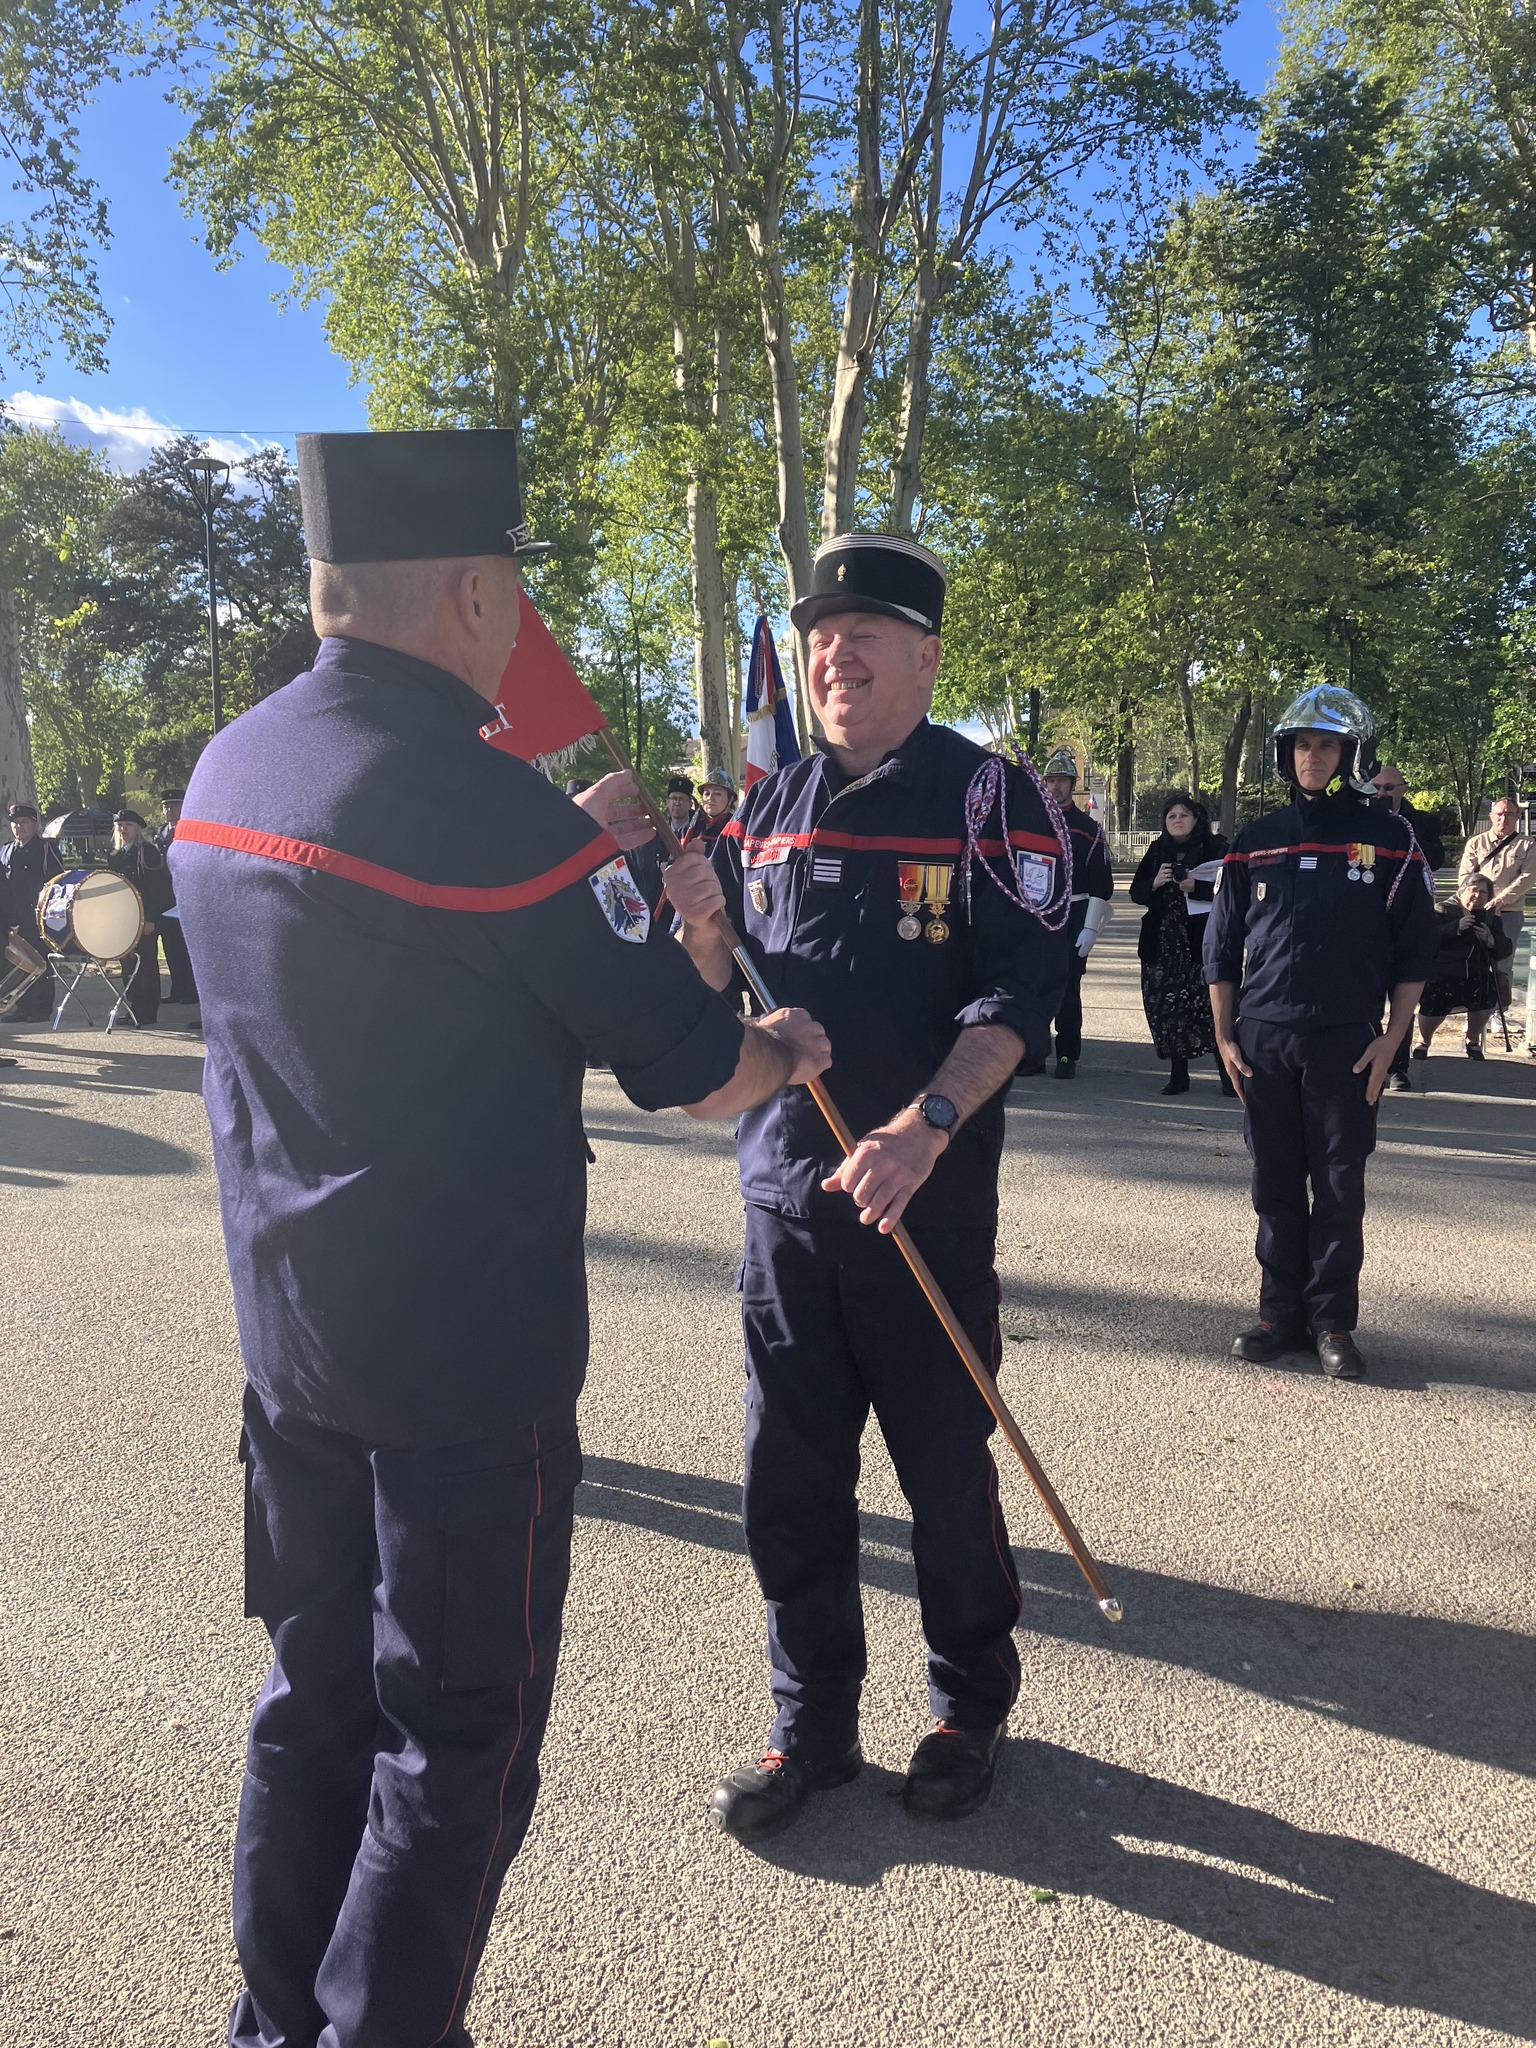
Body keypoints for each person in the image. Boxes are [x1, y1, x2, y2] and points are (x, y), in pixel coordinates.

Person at [169, 427, 831, 2048]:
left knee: (312, 1705)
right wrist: (780, 1041)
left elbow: (409, 950)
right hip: (462, 1378)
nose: (520, 623)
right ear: (471, 594)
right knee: (455, 1747)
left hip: (293, 1349)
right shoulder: (496, 820)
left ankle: (277, 2022)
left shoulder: (229, 771)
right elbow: (695, 1070)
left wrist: (569, 852)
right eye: (513, 593)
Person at [676, 532, 1070, 1841]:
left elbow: (1021, 992)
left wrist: (927, 1121)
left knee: (945, 1478)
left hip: (923, 1206)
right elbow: (721, 983)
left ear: (926, 657)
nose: (833, 655)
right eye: (819, 637)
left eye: (863, 634)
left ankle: (968, 1707)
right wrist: (699, 926)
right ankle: (813, 1727)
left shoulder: (986, 797)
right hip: (784, 1208)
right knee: (788, 1484)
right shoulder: (769, 803)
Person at [1205, 683, 1437, 1381]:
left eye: (1328, 746)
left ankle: (1332, 1320)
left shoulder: (1390, 842)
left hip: (1347, 1042)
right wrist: (1224, 1036)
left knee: (1338, 1187)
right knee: (1274, 1183)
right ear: (1286, 753)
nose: (1313, 757)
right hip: (1265, 1039)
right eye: (1303, 745)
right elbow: (1221, 948)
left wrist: (1392, 1040)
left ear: (1350, 755)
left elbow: (1416, 951)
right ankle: (1279, 1315)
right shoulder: (1255, 841)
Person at [1128, 794, 1233, 1096]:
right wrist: (1155, 883)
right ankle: (1178, 1075)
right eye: (1171, 816)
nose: (1177, 820)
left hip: (1201, 943)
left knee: (1210, 1008)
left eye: (1184, 815)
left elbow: (1232, 892)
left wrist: (1197, 887)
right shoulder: (1157, 850)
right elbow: (1136, 893)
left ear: (1197, 819)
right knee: (1168, 1010)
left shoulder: (1216, 848)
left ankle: (1227, 1073)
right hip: (1162, 945)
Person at [1024, 747, 1111, 1079]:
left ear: (1073, 785)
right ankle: (1033, 1053)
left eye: (1062, 781)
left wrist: (1091, 928)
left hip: (1073, 914)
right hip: (1037, 915)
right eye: (1050, 781)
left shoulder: (1088, 829)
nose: (1055, 787)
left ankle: (1066, 1055)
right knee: (1032, 987)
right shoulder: (1030, 823)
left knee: (1067, 990)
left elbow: (1101, 883)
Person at [1370, 765, 1444, 1089]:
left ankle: (1398, 1066)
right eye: (1376, 788)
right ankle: (1368, 1059)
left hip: (1409, 916)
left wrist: (1406, 831)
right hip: (1370, 918)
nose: (1382, 794)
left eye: (1389, 788)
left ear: (1402, 789)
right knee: (1368, 998)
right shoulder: (1360, 820)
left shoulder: (1422, 822)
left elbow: (1435, 860)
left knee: (1403, 997)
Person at [1458, 794, 1536, 1042]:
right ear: (1491, 816)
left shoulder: (1527, 845)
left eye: (1509, 814)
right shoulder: (1476, 843)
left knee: (1503, 964)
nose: (1504, 818)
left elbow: (1527, 877)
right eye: (1500, 813)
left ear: (1517, 817)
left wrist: (1500, 901)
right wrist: (1476, 902)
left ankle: (1498, 1012)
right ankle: (1472, 1011)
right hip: (1476, 911)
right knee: (1472, 962)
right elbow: (1465, 876)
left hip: (1508, 912)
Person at [1411, 873, 1513, 1060]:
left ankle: (1472, 1041)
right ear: (1462, 890)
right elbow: (1426, 939)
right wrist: (1456, 927)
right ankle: (1424, 1040)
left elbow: (1504, 949)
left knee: (1487, 990)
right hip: (1444, 971)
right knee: (1436, 994)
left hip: (1476, 973)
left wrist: (1490, 939)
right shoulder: (1442, 910)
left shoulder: (1490, 916)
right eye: (1473, 890)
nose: (1477, 895)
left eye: (1483, 892)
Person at [107, 810, 172, 1026]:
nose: (123, 829)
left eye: (128, 825)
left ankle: (148, 1011)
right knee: (127, 965)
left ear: (137, 829)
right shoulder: (115, 854)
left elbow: (156, 888)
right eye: (120, 825)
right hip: (123, 917)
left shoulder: (147, 852)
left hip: (143, 916)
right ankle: (134, 1008)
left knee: (145, 965)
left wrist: (151, 918)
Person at [0, 802, 63, 1022]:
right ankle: (22, 1007)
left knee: (39, 962)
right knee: (17, 964)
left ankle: (41, 1009)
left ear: (35, 825)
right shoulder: (6, 850)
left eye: (24, 822)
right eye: (15, 823)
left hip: (36, 916)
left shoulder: (45, 849)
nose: (19, 827)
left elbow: (58, 882)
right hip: (11, 916)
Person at [151, 788, 199, 1006]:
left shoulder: (190, 830)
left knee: (186, 947)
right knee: (171, 947)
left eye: (174, 806)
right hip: (164, 896)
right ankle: (177, 988)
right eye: (166, 806)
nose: (170, 810)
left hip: (183, 895)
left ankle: (191, 990)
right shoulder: (160, 832)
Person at [687, 765, 737, 850]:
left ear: (730, 799)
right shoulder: (690, 827)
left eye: (717, 794)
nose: (710, 798)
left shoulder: (737, 829)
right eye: (707, 793)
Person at [663, 774, 697, 838]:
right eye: (674, 798)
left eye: (682, 799)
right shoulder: (660, 831)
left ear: (690, 804)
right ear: (667, 802)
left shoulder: (699, 832)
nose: (677, 802)